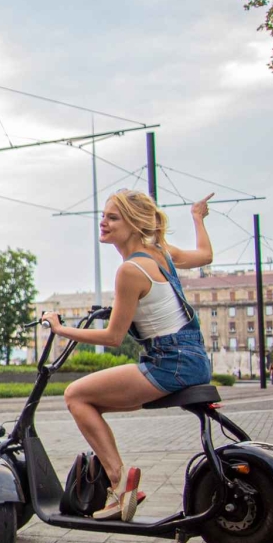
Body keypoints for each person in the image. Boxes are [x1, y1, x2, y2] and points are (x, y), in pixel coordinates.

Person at [41, 190, 214, 521]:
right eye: (104, 215)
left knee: (75, 395)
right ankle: (117, 484)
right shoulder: (161, 252)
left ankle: (120, 486)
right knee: (92, 402)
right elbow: (205, 255)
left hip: (168, 363)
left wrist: (61, 329)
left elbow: (113, 337)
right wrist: (197, 216)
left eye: (113, 218)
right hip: (193, 358)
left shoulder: (130, 271)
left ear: (134, 224)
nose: (103, 223)